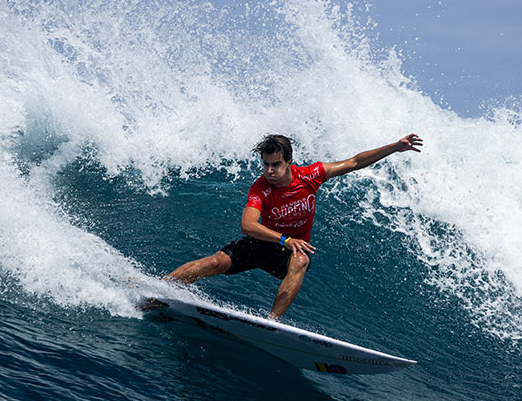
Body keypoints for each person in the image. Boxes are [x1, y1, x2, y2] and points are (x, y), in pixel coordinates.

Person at [164, 133, 423, 321]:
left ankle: (272, 322)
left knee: (301, 259)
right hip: (264, 243)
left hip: (289, 252)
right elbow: (248, 225)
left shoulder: (311, 175)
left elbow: (355, 162)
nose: (269, 171)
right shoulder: (260, 189)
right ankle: (163, 287)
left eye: (275, 164)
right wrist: (284, 239)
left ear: (289, 161)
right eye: (265, 164)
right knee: (213, 263)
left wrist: (394, 147)